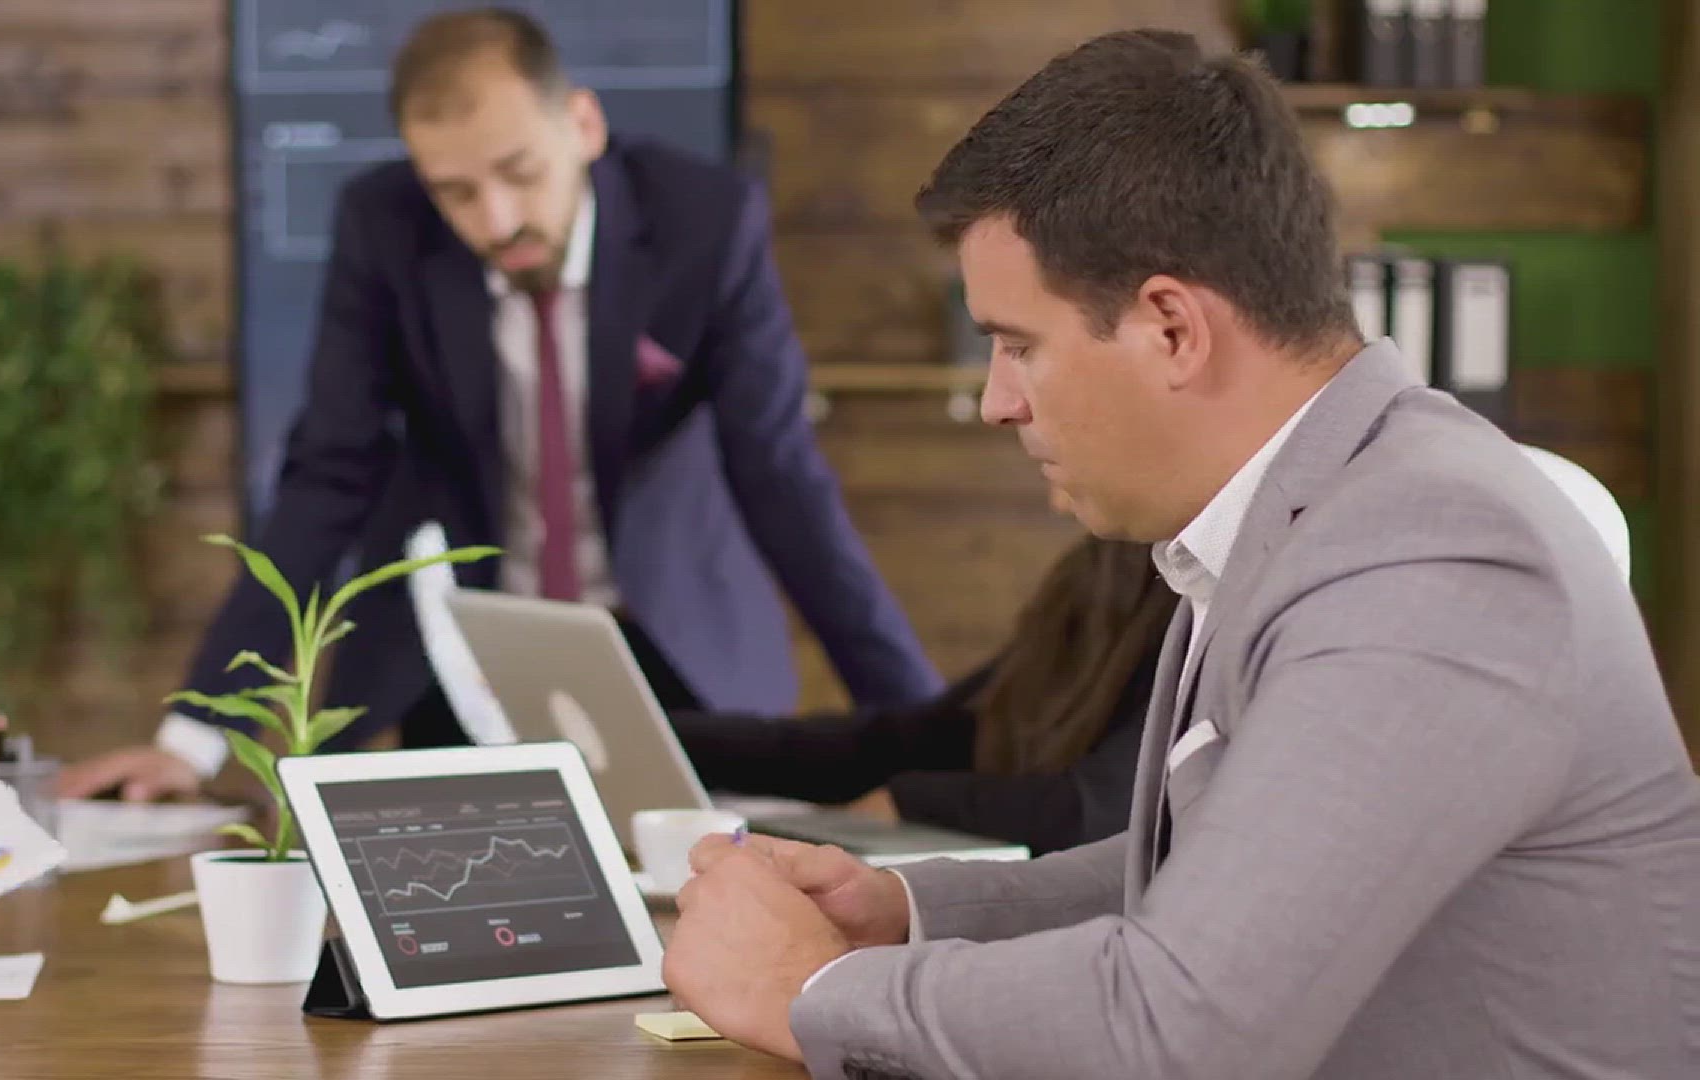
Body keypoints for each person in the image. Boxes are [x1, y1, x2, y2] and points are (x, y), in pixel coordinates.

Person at [661, 29, 1700, 1079]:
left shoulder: (1430, 553)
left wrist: (811, 988)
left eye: (1019, 345)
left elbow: (1183, 1028)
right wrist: (906, 909)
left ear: (1171, 329)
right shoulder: (1322, 512)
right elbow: (1211, 874)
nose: (998, 401)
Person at [56, 9, 939, 801]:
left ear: (582, 125)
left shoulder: (704, 223)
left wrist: (927, 736)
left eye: (520, 171)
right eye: (456, 192)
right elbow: (328, 473)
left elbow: (781, 477)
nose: (496, 219)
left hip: (669, 644)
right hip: (462, 655)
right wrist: (197, 734)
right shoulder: (382, 225)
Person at [673, 533, 1176, 855]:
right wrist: (671, 737)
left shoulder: (1190, 595)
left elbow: (1103, 812)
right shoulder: (1100, 575)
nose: (1000, 410)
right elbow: (902, 743)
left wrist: (916, 801)